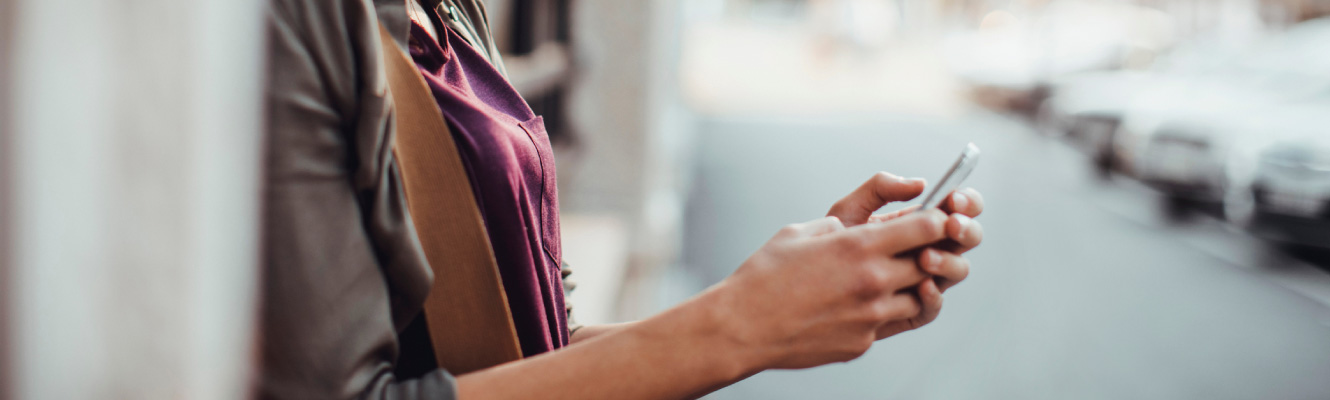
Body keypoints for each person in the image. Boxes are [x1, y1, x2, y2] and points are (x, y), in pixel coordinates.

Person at [259, 0, 986, 399]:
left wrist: (785, 304)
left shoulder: (449, 8)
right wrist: (740, 325)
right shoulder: (296, 22)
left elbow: (535, 349)